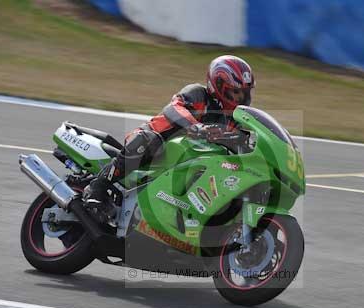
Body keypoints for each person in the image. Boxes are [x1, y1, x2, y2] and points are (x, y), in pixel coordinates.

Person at [83, 55, 255, 218]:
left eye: (246, 93)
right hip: (155, 146)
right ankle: (97, 187)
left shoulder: (233, 119)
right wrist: (195, 126)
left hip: (186, 162)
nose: (242, 99)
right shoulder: (197, 94)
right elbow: (174, 109)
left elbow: (242, 140)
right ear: (219, 86)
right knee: (149, 141)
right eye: (237, 93)